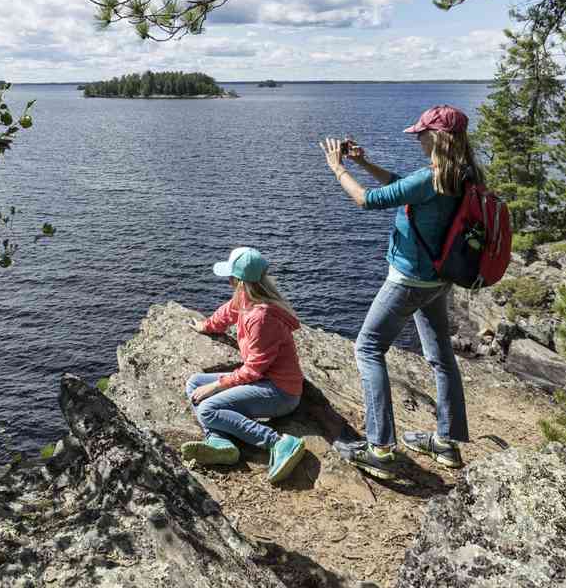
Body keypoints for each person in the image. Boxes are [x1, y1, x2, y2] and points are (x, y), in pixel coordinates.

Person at [320, 104, 483, 476]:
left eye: (422, 134)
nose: (418, 139)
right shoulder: (465, 175)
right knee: (442, 356)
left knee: (368, 348)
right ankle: (446, 442)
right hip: (438, 282)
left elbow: (367, 200)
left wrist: (338, 168)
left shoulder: (432, 177)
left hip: (408, 281)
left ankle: (379, 447)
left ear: (436, 137)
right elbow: (402, 186)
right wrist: (366, 163)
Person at [184, 246, 310, 484]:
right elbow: (226, 314)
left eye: (231, 277)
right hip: (264, 381)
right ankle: (220, 441)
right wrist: (206, 326)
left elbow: (253, 370)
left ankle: (279, 442)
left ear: (239, 282)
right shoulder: (246, 300)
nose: (229, 281)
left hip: (280, 392)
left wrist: (216, 387)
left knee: (207, 408)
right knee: (194, 383)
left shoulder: (262, 317)